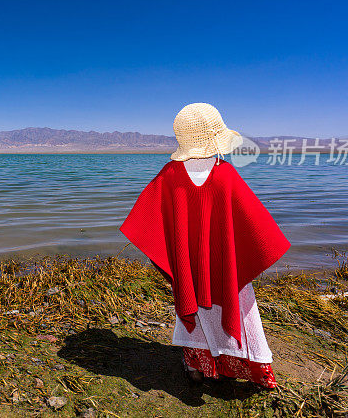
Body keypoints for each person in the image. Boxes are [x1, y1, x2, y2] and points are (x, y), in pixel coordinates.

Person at [119, 103, 290, 389]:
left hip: (189, 266)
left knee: (190, 302)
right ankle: (253, 371)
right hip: (225, 266)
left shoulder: (170, 175)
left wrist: (170, 258)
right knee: (241, 307)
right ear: (214, 138)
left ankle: (197, 367)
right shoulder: (225, 175)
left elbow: (146, 221)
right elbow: (257, 228)